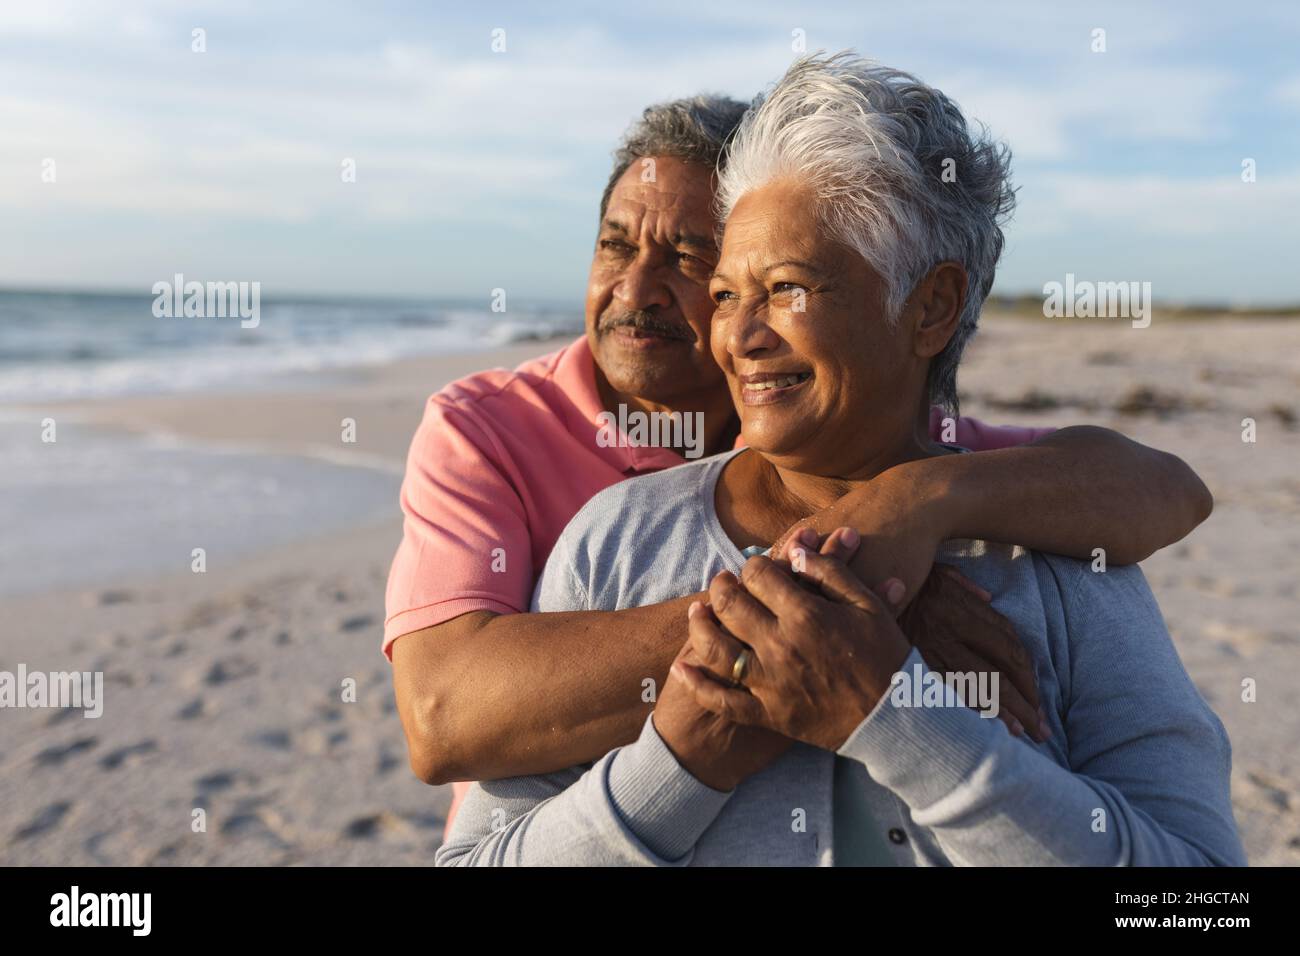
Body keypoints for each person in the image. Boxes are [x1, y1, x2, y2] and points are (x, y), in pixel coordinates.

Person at [434, 53, 1243, 866]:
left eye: (787, 288)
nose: (741, 337)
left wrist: (896, 716)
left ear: (931, 307)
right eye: (724, 294)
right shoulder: (616, 540)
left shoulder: (1061, 560)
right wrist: (678, 764)